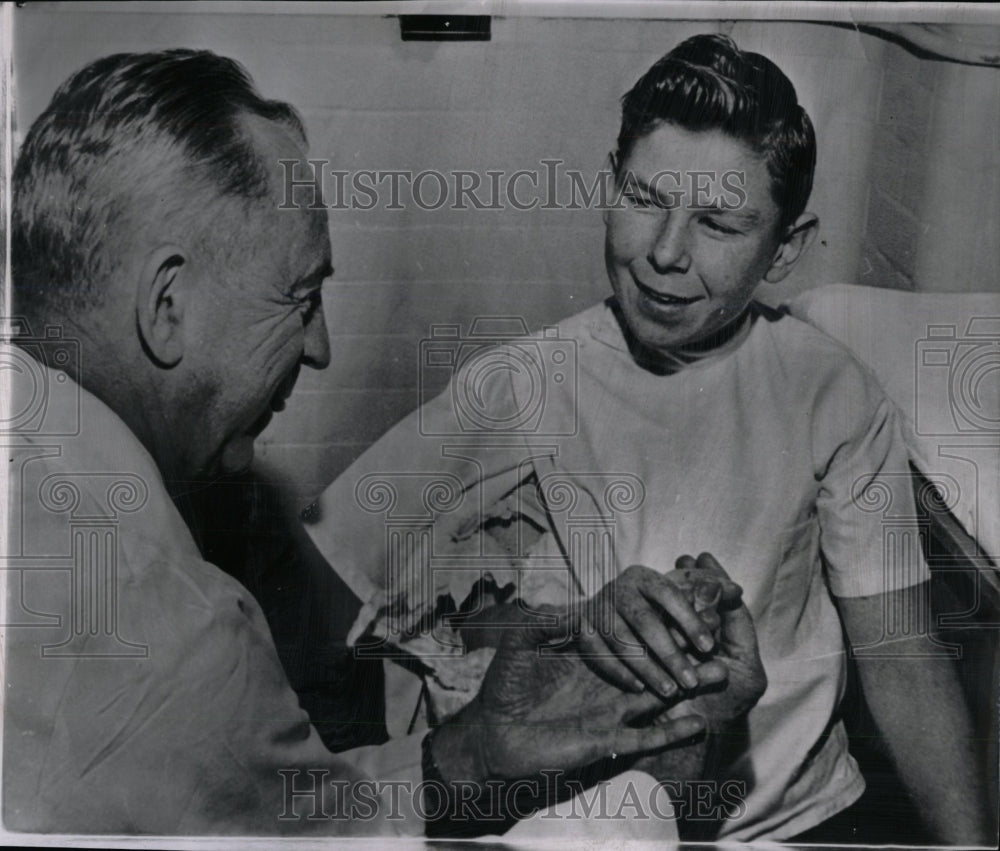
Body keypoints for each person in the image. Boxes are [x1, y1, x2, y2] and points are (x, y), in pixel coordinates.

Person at [2, 49, 766, 837]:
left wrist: (474, 752)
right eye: (300, 298)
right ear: (167, 305)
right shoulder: (171, 625)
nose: (321, 345)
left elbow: (281, 809)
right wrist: (652, 785)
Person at [304, 34, 993, 843]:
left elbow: (903, 657)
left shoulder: (831, 392)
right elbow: (326, 569)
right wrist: (489, 645)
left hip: (794, 818)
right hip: (584, 822)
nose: (666, 253)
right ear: (609, 184)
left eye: (719, 224)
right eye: (645, 199)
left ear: (786, 248)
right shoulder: (525, 383)